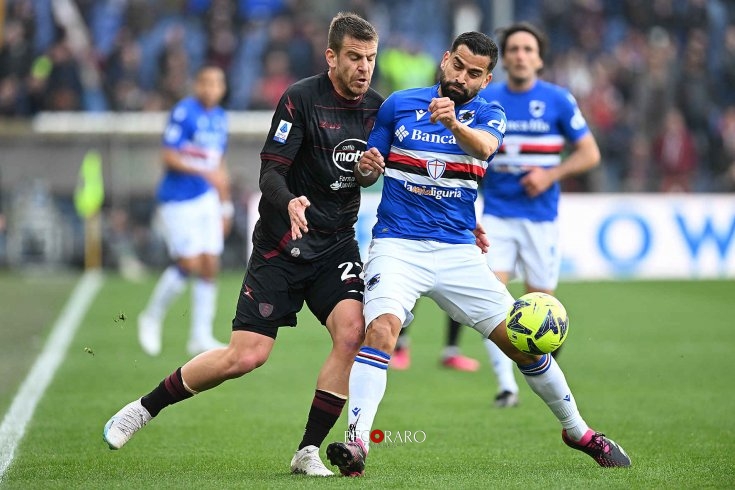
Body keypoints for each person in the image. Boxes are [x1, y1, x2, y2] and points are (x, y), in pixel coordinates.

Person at [324, 31, 630, 477]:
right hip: (398, 244)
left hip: (458, 253)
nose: (461, 77)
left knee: (522, 345)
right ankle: (357, 446)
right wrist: (366, 168)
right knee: (382, 332)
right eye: (458, 66)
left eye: (474, 74)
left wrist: (452, 123)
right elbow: (370, 170)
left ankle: (578, 431)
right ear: (445, 60)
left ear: (486, 80)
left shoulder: (490, 113)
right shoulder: (398, 104)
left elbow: (484, 149)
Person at [103, 12, 383, 477]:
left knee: (352, 334)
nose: (364, 67)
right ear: (331, 56)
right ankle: (144, 407)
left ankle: (307, 450)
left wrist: (367, 175)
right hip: (281, 244)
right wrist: (291, 201)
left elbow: (369, 171)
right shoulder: (299, 99)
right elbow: (270, 170)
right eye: (354, 57)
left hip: (335, 245)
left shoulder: (377, 108)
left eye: (371, 58)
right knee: (246, 356)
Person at [464, 22, 602, 409]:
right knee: (493, 296)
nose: (520, 55)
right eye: (513, 49)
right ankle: (506, 386)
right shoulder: (487, 100)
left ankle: (540, 378)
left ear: (539, 58)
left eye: (528, 49)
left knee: (542, 307)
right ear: (504, 59)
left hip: (541, 218)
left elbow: (590, 153)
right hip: (498, 216)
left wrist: (551, 174)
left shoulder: (558, 100)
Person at [137, 65, 233, 357]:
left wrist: (225, 204)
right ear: (197, 85)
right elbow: (168, 155)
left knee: (209, 264)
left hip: (206, 200)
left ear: (223, 88)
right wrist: (204, 173)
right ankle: (151, 316)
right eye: (206, 82)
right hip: (178, 199)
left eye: (217, 83)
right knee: (188, 261)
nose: (211, 88)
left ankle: (199, 336)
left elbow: (219, 164)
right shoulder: (184, 112)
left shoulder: (220, 118)